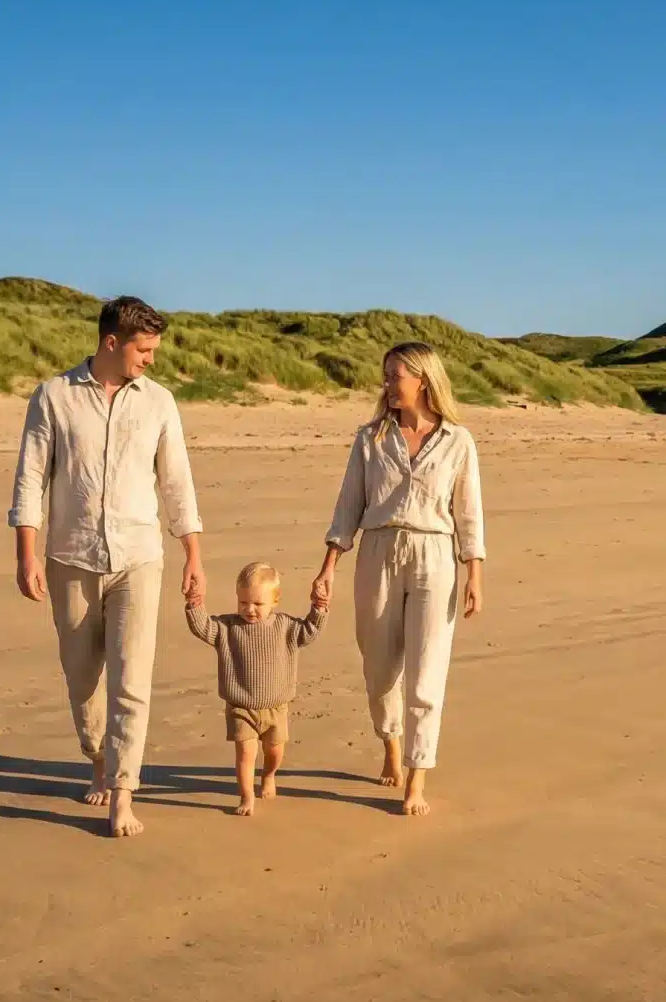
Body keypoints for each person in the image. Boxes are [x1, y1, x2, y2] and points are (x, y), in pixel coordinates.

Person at [8, 295, 205, 838]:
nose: (151, 359)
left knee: (132, 679)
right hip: (70, 556)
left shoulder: (160, 402)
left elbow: (177, 483)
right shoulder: (53, 397)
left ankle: (123, 791)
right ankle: (96, 756)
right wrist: (26, 554)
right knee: (82, 680)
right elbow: (30, 479)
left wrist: (193, 554)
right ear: (111, 343)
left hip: (140, 557)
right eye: (143, 350)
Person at [311, 341, 485, 816]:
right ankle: (390, 740)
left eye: (395, 376)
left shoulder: (458, 440)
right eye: (385, 376)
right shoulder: (369, 439)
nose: (387, 384)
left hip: (435, 556)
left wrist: (475, 573)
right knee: (379, 668)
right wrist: (328, 566)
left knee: (427, 672)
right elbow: (348, 507)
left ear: (423, 380)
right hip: (378, 553)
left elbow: (469, 513)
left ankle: (416, 777)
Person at [184, 562, 326, 816]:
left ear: (275, 600)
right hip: (241, 708)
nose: (249, 610)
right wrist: (195, 603)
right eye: (243, 603)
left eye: (258, 604)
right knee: (246, 754)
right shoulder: (226, 628)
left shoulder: (285, 627)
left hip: (276, 707)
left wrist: (319, 607)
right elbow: (202, 627)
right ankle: (246, 796)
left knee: (274, 751)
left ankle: (269, 775)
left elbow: (310, 631)